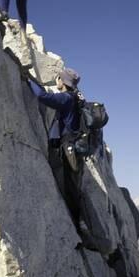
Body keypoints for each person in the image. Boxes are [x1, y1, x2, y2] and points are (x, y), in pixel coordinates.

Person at [27, 68, 82, 227]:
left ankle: (75, 226)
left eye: (57, 78)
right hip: (72, 146)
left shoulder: (66, 98)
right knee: (72, 186)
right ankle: (76, 223)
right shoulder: (74, 98)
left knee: (70, 188)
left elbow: (42, 96)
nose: (55, 80)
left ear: (62, 81)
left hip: (67, 147)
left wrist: (29, 81)